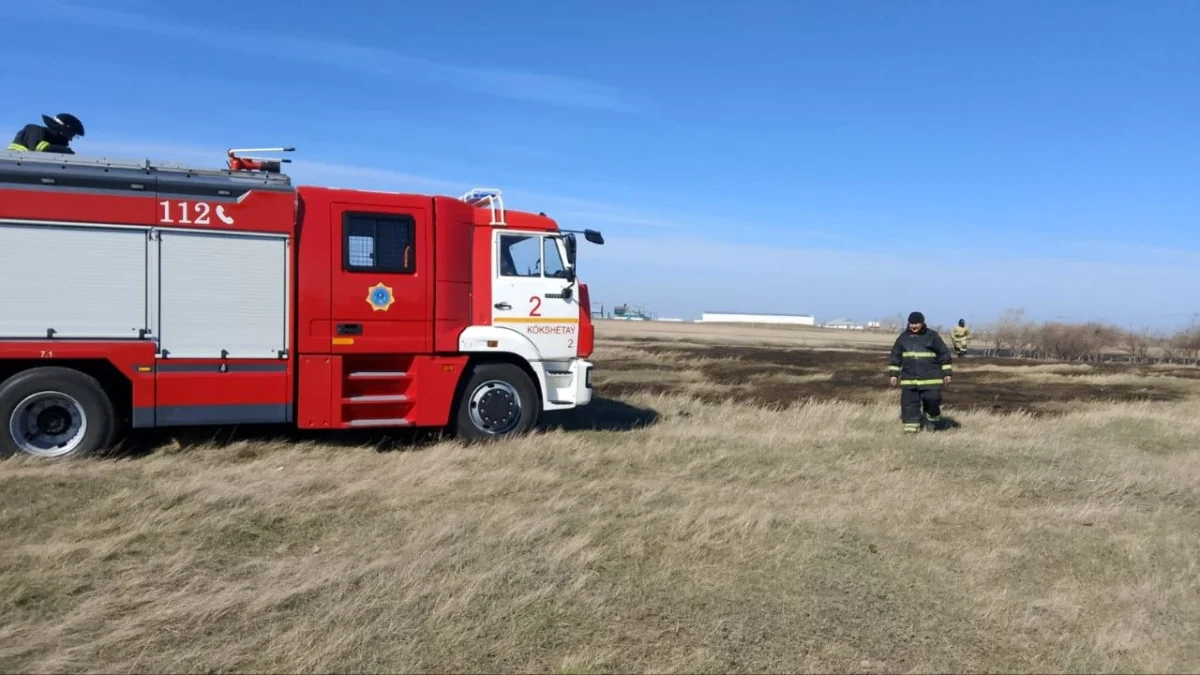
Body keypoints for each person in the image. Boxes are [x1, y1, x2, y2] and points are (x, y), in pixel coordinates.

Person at [888, 311, 953, 433]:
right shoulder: (903, 338)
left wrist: (947, 373)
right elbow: (895, 356)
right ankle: (911, 429)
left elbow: (944, 354)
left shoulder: (932, 336)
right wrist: (893, 374)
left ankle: (932, 422)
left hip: (931, 379)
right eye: (911, 323)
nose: (914, 326)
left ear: (922, 323)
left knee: (933, 400)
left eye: (916, 323)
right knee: (909, 404)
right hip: (909, 379)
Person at [7, 113, 85, 154]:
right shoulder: (35, 130)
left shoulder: (51, 144)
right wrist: (67, 151)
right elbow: (38, 147)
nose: (70, 139)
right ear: (64, 130)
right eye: (71, 135)